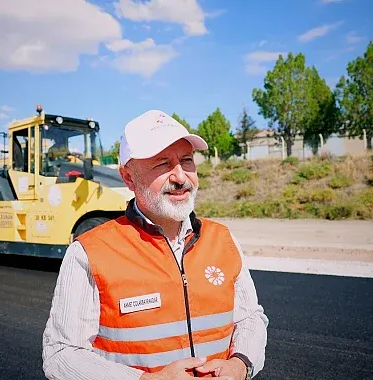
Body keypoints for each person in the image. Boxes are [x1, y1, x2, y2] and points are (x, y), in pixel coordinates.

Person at [42, 110, 269, 380]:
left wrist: (240, 364)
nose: (180, 177)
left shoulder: (223, 240)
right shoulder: (90, 253)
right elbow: (61, 355)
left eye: (186, 161)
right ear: (129, 178)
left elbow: (250, 319)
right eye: (162, 164)